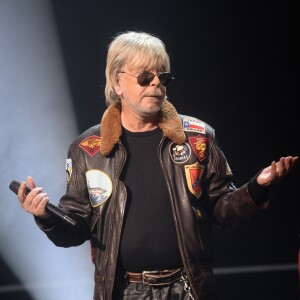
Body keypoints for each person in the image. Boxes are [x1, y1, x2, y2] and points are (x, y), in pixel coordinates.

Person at [17, 31, 298, 300]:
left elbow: (223, 211)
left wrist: (257, 188)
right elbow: (76, 229)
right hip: (122, 292)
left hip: (189, 289)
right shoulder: (87, 149)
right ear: (117, 83)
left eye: (162, 77)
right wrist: (46, 216)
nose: (155, 84)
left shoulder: (198, 138)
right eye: (144, 77)